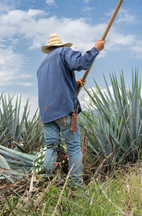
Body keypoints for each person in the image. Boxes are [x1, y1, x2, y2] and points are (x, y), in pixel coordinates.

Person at [37, 33, 106, 188]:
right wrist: (96, 49)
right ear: (61, 46)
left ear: (49, 49)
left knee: (51, 147)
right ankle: (76, 186)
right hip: (64, 110)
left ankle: (47, 182)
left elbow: (53, 86)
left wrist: (74, 84)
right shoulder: (64, 52)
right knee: (74, 147)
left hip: (47, 114)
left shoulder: (41, 67)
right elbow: (80, 64)